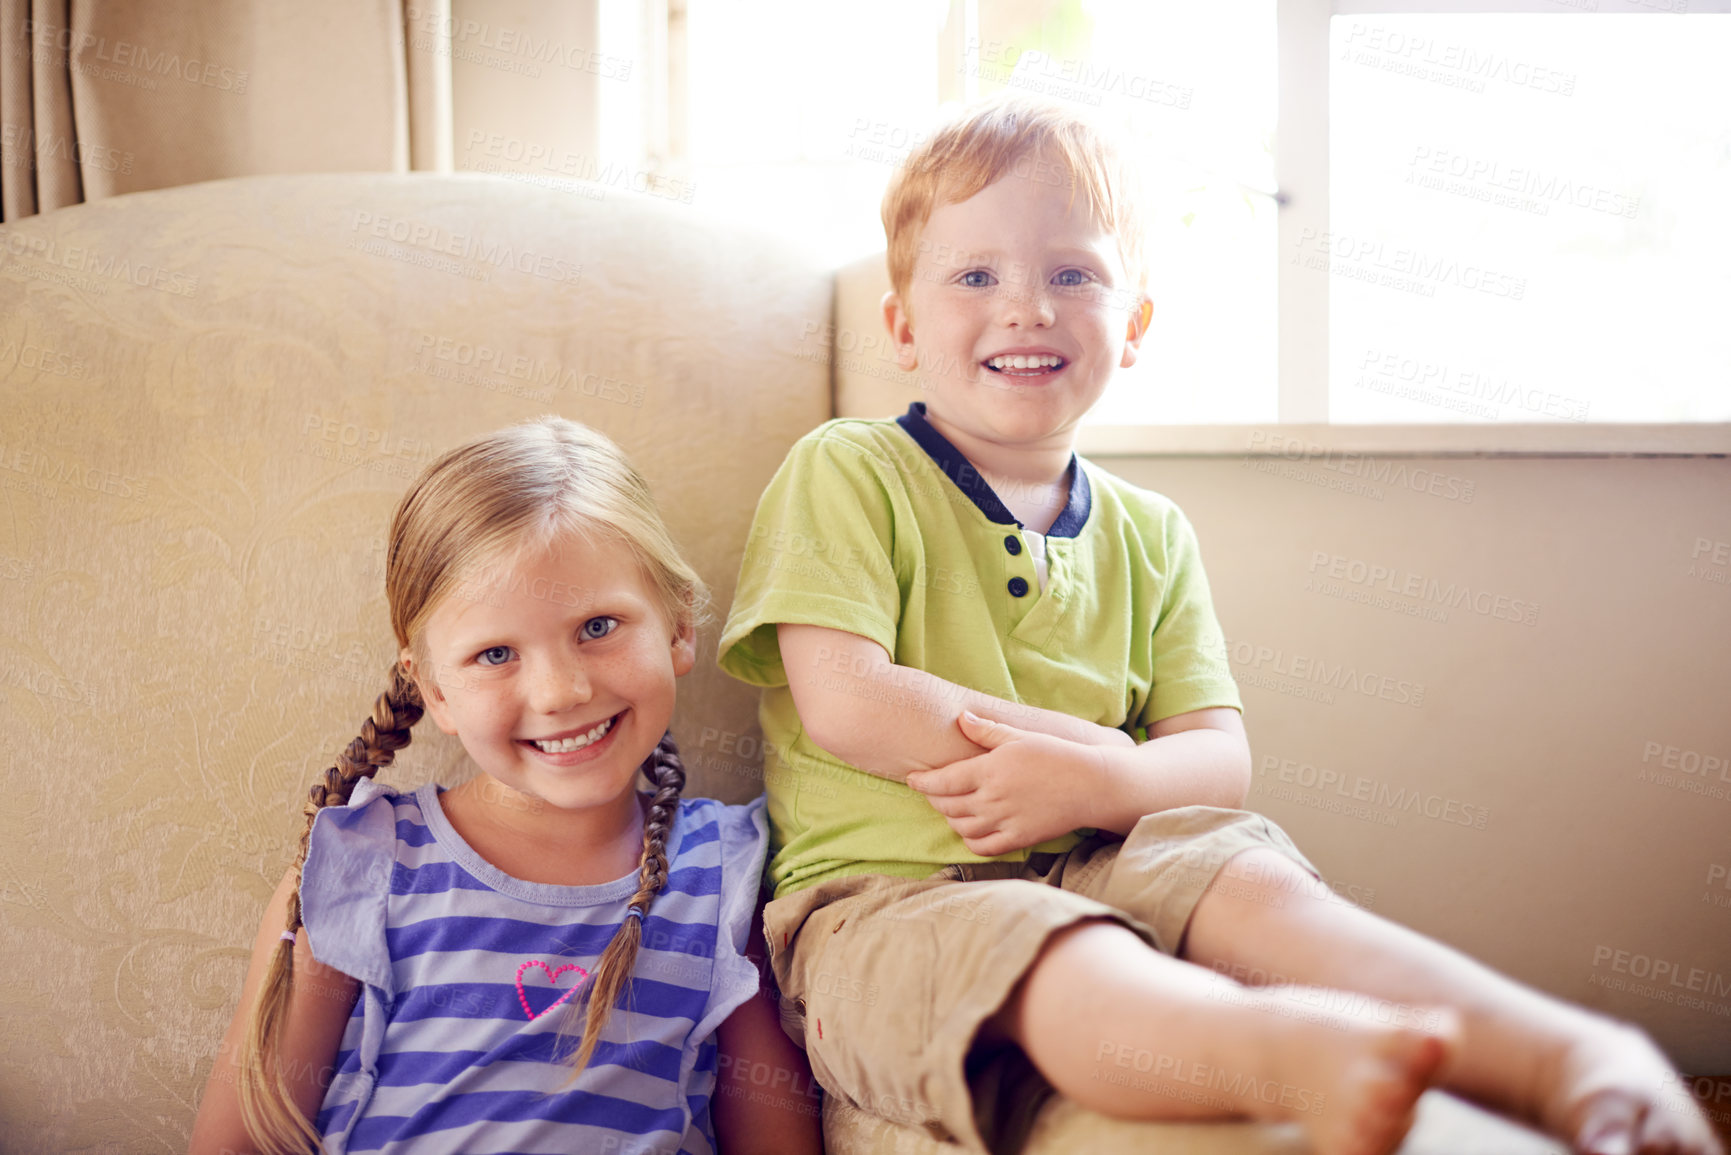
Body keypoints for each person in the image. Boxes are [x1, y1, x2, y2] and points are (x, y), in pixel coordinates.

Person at [718, 96, 1722, 1155]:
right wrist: (1082, 751)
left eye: (1072, 275)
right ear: (902, 326)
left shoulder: (1154, 531)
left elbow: (1214, 757)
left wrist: (1105, 783)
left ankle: (1559, 1056)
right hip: (891, 900)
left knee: (1252, 879)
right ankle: (1286, 1054)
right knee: (1049, 949)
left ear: (1134, 325)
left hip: (1113, 850)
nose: (1027, 309)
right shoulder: (850, 468)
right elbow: (847, 698)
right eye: (977, 277)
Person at [189, 418, 821, 1155]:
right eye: (495, 653)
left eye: (597, 626)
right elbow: (237, 1140)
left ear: (678, 624)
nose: (560, 691)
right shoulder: (362, 862)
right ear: (435, 691)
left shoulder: (726, 871)